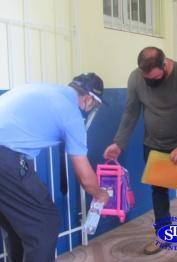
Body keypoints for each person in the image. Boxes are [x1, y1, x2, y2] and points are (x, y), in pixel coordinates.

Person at [103, 47, 177, 255]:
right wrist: (118, 143)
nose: (151, 82)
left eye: (156, 78)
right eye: (147, 78)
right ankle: (163, 235)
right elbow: (130, 113)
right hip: (154, 145)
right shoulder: (136, 79)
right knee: (158, 192)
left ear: (165, 65)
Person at [0, 73, 109, 262]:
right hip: (5, 159)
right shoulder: (71, 113)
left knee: (16, 223)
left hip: (6, 156)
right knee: (45, 223)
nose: (93, 109)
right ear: (89, 99)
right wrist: (100, 194)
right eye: (95, 105)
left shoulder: (45, 90)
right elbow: (85, 177)